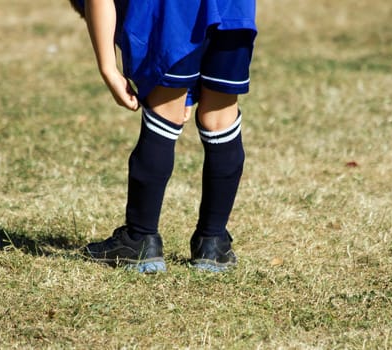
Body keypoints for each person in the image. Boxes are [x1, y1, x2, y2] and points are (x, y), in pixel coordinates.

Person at [69, 0, 257, 273]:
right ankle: (213, 245)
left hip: (173, 11)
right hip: (234, 9)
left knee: (164, 113)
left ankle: (140, 239)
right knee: (220, 116)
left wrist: (108, 67)